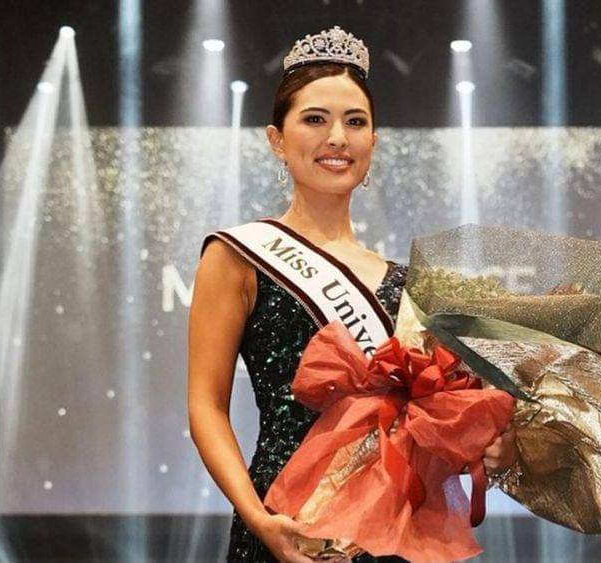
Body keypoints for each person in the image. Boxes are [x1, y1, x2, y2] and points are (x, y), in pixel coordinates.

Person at [187, 26, 517, 562]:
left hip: (388, 532)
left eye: (355, 122)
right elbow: (205, 406)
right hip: (286, 519)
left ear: (373, 144)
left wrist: (489, 444)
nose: (338, 137)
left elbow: (423, 424)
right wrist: (258, 518)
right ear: (277, 139)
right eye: (315, 119)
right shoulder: (238, 254)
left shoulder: (407, 282)